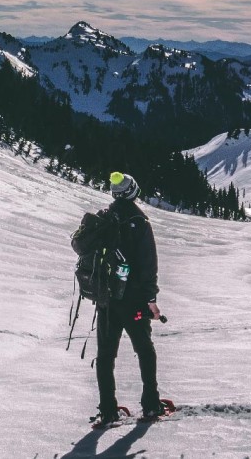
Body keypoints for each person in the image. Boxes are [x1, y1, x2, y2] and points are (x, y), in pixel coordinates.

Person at [92, 171, 165, 426]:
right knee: (145, 350)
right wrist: (151, 300)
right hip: (133, 301)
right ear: (133, 191)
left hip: (106, 301)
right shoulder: (139, 221)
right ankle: (151, 404)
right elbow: (148, 266)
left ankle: (108, 410)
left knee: (105, 355)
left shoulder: (102, 219)